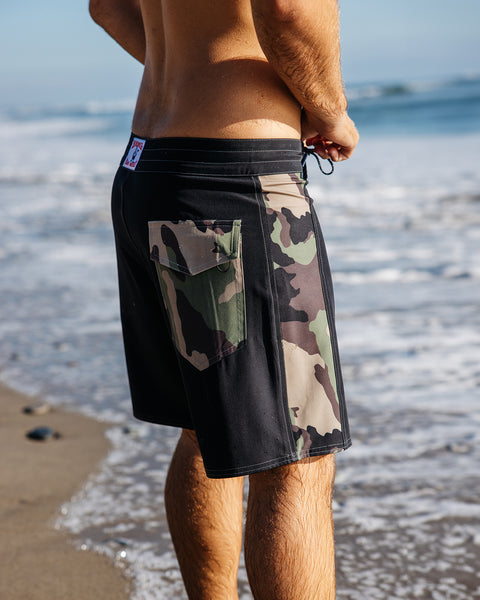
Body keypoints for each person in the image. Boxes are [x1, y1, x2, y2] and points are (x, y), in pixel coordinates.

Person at [89, 0, 358, 598]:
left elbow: (106, 6)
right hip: (235, 182)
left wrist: (194, 70)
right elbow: (286, 7)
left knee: (203, 426)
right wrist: (328, 108)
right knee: (296, 460)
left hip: (148, 169)